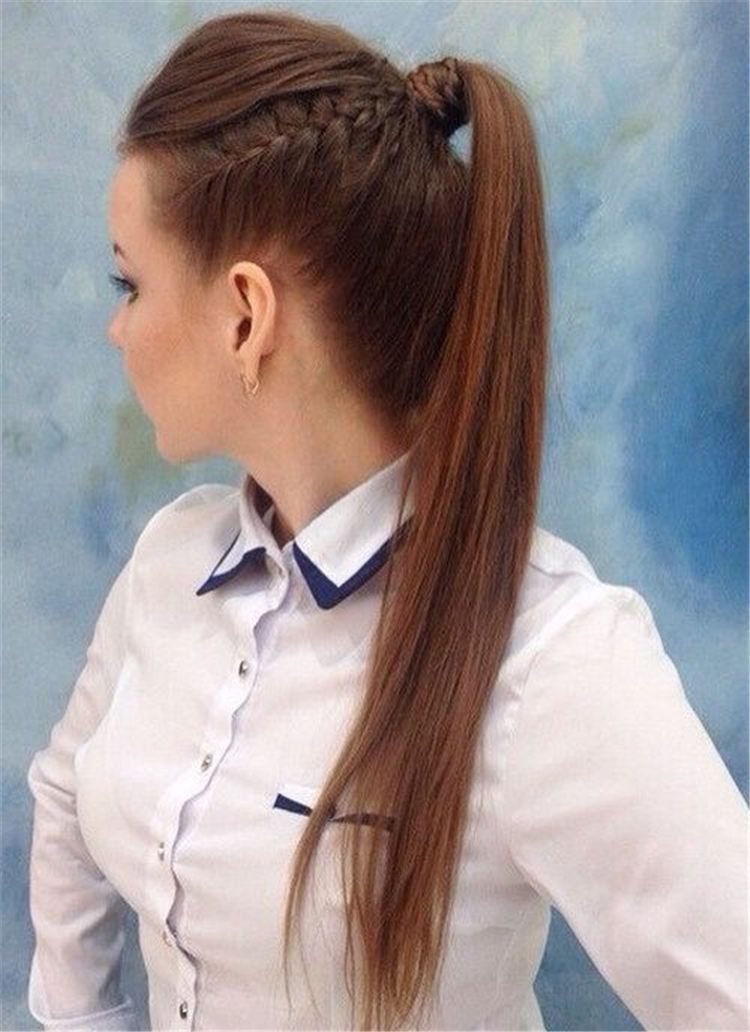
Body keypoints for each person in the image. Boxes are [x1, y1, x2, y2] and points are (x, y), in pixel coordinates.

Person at [25, 8, 748, 1032]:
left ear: (246, 314)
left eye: (129, 282)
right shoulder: (168, 564)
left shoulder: (547, 660)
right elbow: (66, 794)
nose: (115, 326)